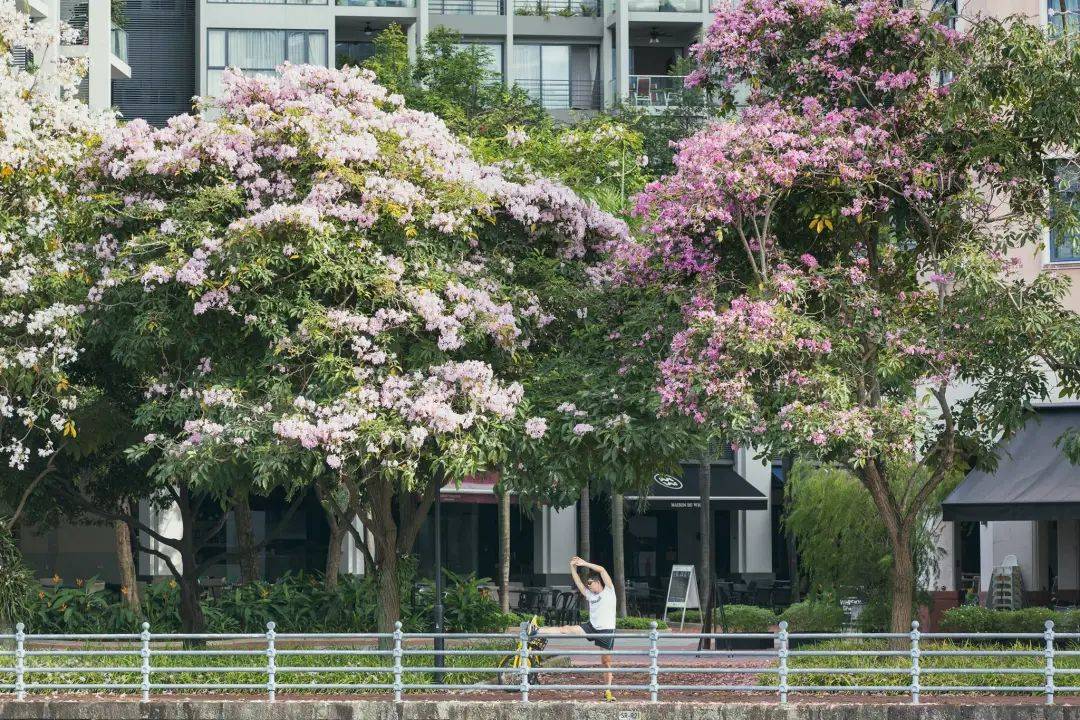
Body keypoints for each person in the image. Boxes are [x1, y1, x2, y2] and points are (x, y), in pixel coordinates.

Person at [525, 556, 617, 701]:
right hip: (591, 627)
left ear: (598, 583)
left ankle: (608, 691)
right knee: (565, 629)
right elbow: (579, 583)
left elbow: (602, 569)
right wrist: (573, 568)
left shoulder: (609, 591)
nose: (589, 587)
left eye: (591, 584)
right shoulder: (590, 595)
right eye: (588, 585)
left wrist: (584, 563)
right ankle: (536, 630)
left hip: (606, 630)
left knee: (606, 661)